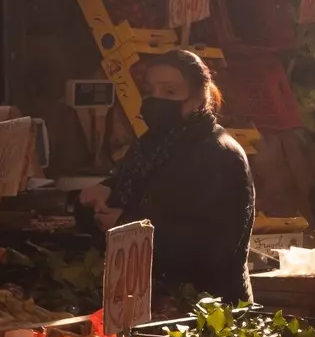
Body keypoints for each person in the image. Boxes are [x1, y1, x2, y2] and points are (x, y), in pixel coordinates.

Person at [80, 50, 254, 302]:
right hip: (149, 296)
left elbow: (213, 248)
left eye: (170, 92)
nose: (156, 100)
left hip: (206, 306)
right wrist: (105, 190)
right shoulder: (148, 146)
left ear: (198, 99)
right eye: (150, 91)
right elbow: (136, 191)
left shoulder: (221, 155)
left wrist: (129, 228)